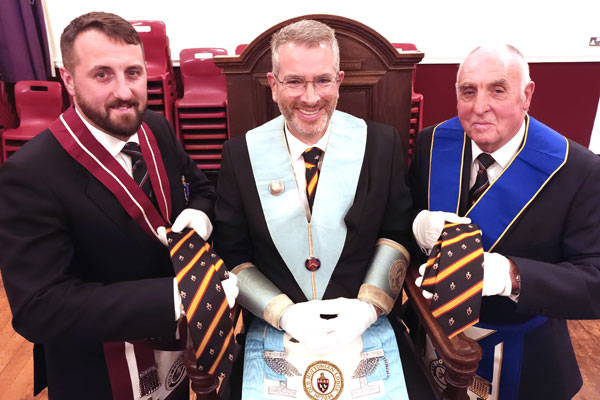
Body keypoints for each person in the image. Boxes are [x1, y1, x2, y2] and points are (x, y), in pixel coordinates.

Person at [0, 11, 236, 400]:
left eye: (133, 72)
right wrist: (177, 297)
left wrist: (200, 216)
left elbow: (201, 188)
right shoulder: (29, 174)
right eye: (102, 74)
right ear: (68, 80)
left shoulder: (155, 127)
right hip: (99, 374)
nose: (125, 92)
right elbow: (39, 308)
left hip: (173, 354)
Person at [213, 19, 433, 400]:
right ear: (273, 84)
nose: (311, 98)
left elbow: (396, 235)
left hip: (364, 321)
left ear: (340, 80)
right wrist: (283, 313)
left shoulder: (381, 145)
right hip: (275, 325)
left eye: (323, 81)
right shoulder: (239, 156)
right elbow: (232, 253)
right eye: (294, 81)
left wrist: (368, 308)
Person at [409, 44, 600, 400]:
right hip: (433, 341)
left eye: (498, 89)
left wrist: (512, 275)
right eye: (468, 91)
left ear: (527, 94)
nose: (479, 106)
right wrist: (417, 226)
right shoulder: (431, 143)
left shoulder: (579, 170)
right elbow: (402, 226)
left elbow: (594, 283)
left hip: (525, 355)